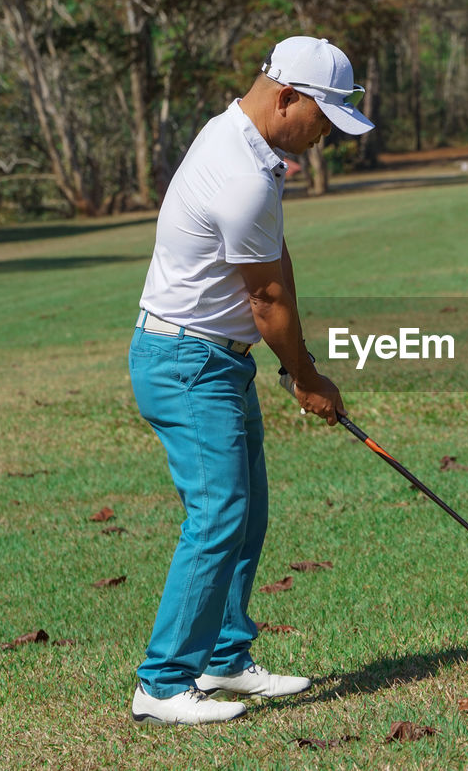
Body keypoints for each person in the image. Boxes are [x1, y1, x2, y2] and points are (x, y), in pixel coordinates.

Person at [127, 36, 371, 726]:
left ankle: (223, 657)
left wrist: (303, 367)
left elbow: (273, 263)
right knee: (218, 517)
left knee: (246, 512)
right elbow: (265, 301)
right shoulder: (242, 174)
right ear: (287, 96)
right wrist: (307, 376)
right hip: (187, 365)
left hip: (214, 360)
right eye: (323, 120)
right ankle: (163, 683)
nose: (325, 137)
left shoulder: (246, 142)